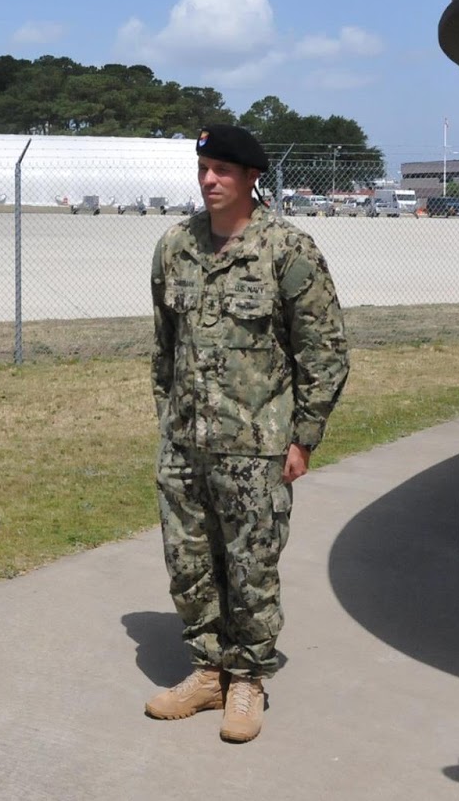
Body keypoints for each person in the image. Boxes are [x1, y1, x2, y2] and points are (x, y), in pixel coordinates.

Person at [145, 123, 349, 743]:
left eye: (223, 170)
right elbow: (164, 347)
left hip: (256, 448)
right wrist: (168, 421)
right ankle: (207, 671)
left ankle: (247, 680)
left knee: (251, 567)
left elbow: (326, 351)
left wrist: (303, 437)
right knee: (189, 563)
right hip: (185, 443)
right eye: (204, 167)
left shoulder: (287, 249)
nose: (210, 179)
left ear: (252, 177)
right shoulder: (175, 246)